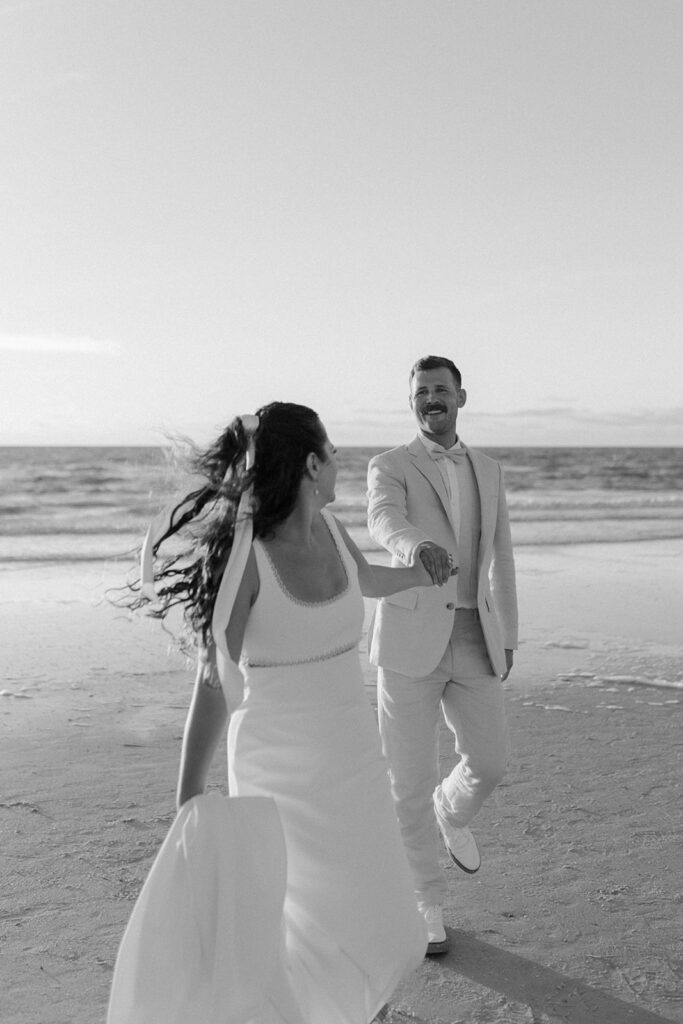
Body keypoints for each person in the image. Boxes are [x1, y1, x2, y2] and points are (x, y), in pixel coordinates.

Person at [109, 402, 435, 1024]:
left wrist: (415, 577)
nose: (341, 463)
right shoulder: (249, 559)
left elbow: (364, 581)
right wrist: (188, 800)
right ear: (312, 464)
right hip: (278, 770)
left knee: (388, 920)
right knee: (304, 932)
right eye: (333, 453)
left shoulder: (334, 533)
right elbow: (214, 681)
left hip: (354, 758)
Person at [367, 356, 518, 956]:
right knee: (407, 781)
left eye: (441, 390)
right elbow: (383, 519)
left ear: (461, 397)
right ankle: (424, 904)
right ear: (412, 403)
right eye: (421, 392)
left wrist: (508, 633)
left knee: (491, 760)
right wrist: (417, 545)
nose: (431, 399)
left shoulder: (490, 469)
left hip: (476, 635)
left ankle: (451, 809)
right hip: (409, 641)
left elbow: (501, 556)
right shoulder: (389, 465)